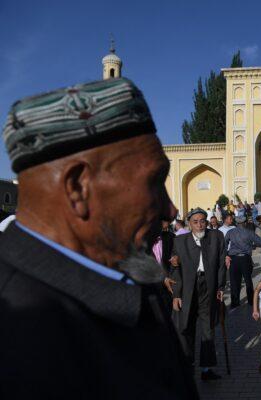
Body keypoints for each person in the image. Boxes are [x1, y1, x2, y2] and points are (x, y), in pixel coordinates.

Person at [0, 78, 197, 398]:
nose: (171, 210)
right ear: (78, 188)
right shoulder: (17, 332)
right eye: (154, 182)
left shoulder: (131, 274)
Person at [171, 208, 226, 381]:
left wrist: (220, 288)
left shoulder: (216, 237)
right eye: (195, 222)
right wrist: (176, 295)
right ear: (189, 224)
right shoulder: (180, 241)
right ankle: (187, 364)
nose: (200, 225)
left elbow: (221, 265)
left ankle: (207, 369)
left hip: (208, 288)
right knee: (185, 327)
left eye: (203, 221)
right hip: (187, 288)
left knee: (207, 327)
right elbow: (175, 269)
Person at [225, 217, 261, 308]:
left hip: (233, 259)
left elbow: (225, 243)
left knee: (234, 281)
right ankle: (251, 300)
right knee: (248, 280)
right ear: (245, 223)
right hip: (245, 258)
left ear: (237, 223)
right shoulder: (249, 232)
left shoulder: (230, 232)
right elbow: (260, 241)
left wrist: (226, 254)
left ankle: (235, 302)